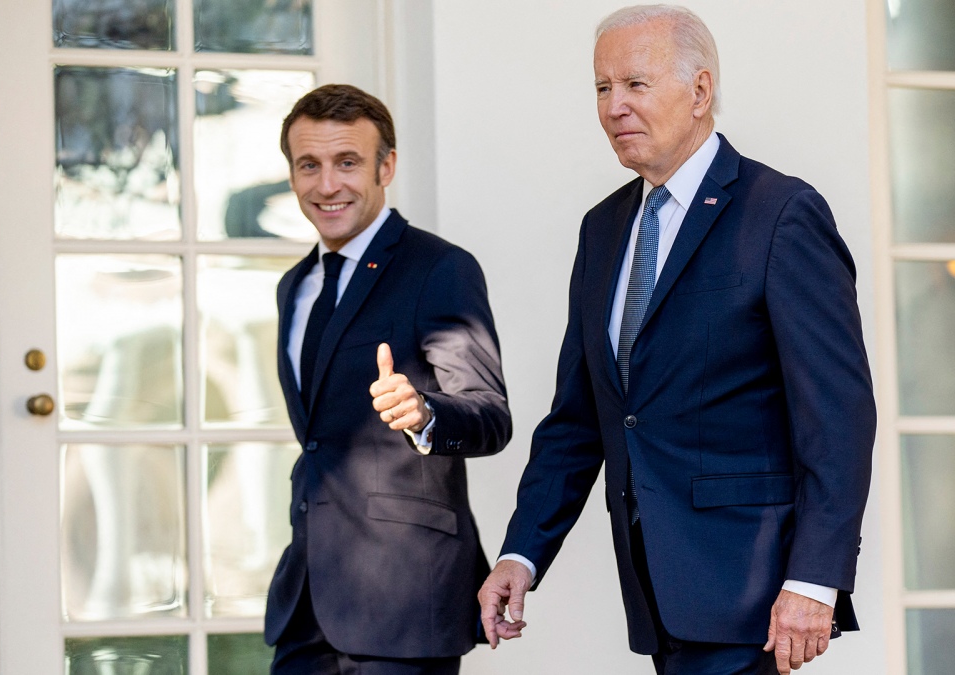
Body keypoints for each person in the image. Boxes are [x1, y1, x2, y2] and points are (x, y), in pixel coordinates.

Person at [477, 6, 875, 674]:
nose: (613, 107)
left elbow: (837, 416)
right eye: (602, 88)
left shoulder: (780, 214)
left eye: (635, 84)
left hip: (758, 593)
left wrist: (815, 579)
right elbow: (581, 419)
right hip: (657, 594)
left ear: (700, 91)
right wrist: (522, 552)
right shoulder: (602, 229)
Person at [264, 83, 511, 675]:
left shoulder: (439, 268)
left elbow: (489, 416)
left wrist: (424, 413)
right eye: (309, 165)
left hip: (404, 598)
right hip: (308, 599)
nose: (327, 185)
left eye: (347, 162)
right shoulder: (294, 287)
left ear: (386, 167)